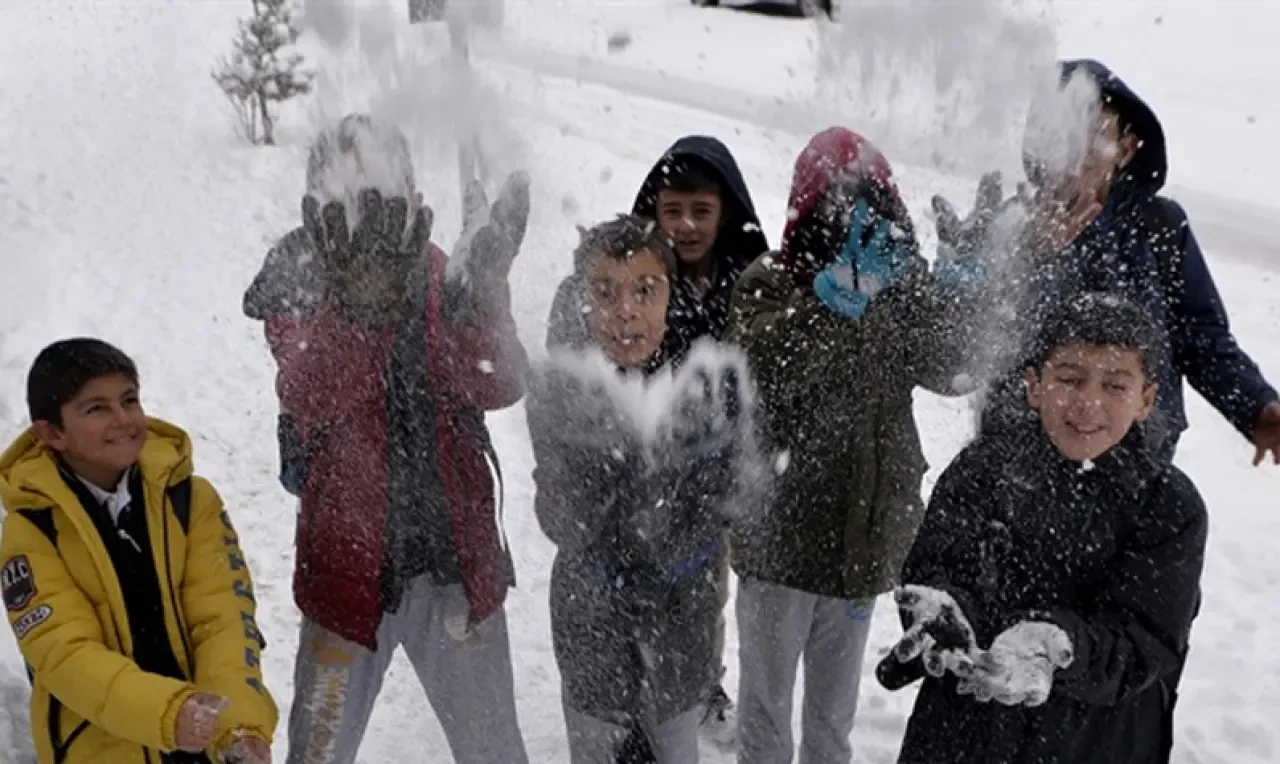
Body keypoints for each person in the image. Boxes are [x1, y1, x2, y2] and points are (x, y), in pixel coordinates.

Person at [242, 114, 531, 763]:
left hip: (456, 566)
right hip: (345, 575)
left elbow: (503, 383)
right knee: (318, 753)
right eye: (348, 185)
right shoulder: (297, 270)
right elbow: (307, 394)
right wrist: (360, 315)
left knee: (495, 753)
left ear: (412, 192)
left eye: (382, 183)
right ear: (316, 198)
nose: (369, 203)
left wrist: (482, 302)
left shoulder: (441, 269)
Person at [725, 127, 987, 764]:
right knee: (765, 717)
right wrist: (833, 301)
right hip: (779, 545)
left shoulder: (899, 284)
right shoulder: (771, 279)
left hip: (860, 547)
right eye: (836, 202)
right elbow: (761, 376)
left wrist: (961, 287)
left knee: (831, 721)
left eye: (870, 200)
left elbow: (954, 370)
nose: (853, 217)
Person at [880, 292, 1208, 763]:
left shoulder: (1169, 506)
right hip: (963, 736)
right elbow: (936, 570)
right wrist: (946, 613)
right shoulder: (983, 470)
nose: (1088, 402)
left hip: (1098, 744)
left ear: (1146, 400)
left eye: (1115, 385)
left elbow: (1146, 643)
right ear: (1034, 386)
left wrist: (1060, 646)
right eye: (1070, 378)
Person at [941, 59, 1279, 466]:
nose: (1076, 150)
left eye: (1095, 133)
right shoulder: (1008, 223)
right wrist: (1028, 260)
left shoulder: (1160, 226)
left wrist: (1256, 406)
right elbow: (966, 349)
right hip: (1020, 463)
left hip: (1137, 463)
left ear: (1126, 148)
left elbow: (1202, 338)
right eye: (1062, 134)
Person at [531, 215, 762, 763]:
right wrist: (609, 452)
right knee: (595, 751)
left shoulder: (698, 389)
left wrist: (703, 471)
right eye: (604, 292)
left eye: (644, 290)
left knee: (675, 748)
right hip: (591, 637)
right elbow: (560, 517)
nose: (625, 311)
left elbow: (729, 506)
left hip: (679, 638)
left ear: (669, 299)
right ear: (582, 301)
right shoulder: (564, 391)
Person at [1, 338, 277, 764]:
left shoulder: (190, 500)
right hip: (101, 750)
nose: (124, 419)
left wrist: (236, 723)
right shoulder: (31, 530)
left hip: (201, 738)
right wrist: (170, 713)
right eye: (97, 408)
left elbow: (223, 618)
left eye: (129, 400)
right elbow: (65, 655)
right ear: (52, 433)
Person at [629, 134, 771, 743]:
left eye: (702, 212)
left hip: (714, 472)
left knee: (705, 587)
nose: (686, 226)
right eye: (672, 211)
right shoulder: (638, 277)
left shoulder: (749, 283)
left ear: (726, 212)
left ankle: (702, 683)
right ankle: (634, 685)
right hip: (647, 464)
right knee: (641, 584)